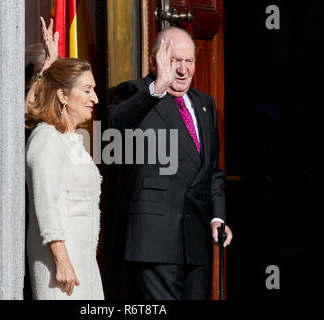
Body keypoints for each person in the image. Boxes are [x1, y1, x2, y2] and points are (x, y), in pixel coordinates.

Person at [106, 26, 233, 300]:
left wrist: (217, 217)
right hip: (153, 241)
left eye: (189, 61)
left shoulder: (204, 103)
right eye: (175, 61)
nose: (183, 70)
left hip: (196, 241)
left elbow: (212, 172)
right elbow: (112, 129)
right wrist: (158, 88)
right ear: (155, 61)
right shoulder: (135, 92)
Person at [25, 17, 103, 300]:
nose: (94, 98)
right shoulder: (46, 138)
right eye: (87, 90)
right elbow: (44, 203)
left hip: (83, 262)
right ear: (62, 96)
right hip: (60, 271)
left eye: (93, 89)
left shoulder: (76, 139)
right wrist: (62, 261)